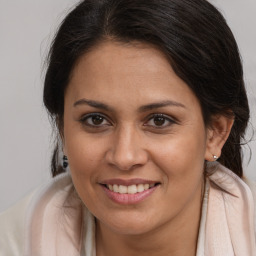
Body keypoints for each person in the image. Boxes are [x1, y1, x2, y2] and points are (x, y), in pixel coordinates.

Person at [0, 0, 255, 255]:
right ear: (63, 130)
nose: (124, 157)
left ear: (216, 133)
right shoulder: (12, 243)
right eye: (96, 120)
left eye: (159, 120)